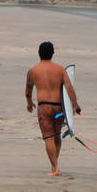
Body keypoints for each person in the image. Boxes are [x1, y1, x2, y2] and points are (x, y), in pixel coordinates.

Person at [25, 41, 79, 176]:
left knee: (48, 137)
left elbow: (28, 90)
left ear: (39, 53)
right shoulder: (60, 70)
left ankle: (55, 168)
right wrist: (75, 104)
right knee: (56, 136)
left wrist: (29, 103)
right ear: (52, 53)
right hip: (59, 108)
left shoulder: (33, 71)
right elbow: (69, 88)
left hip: (44, 108)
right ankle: (54, 164)